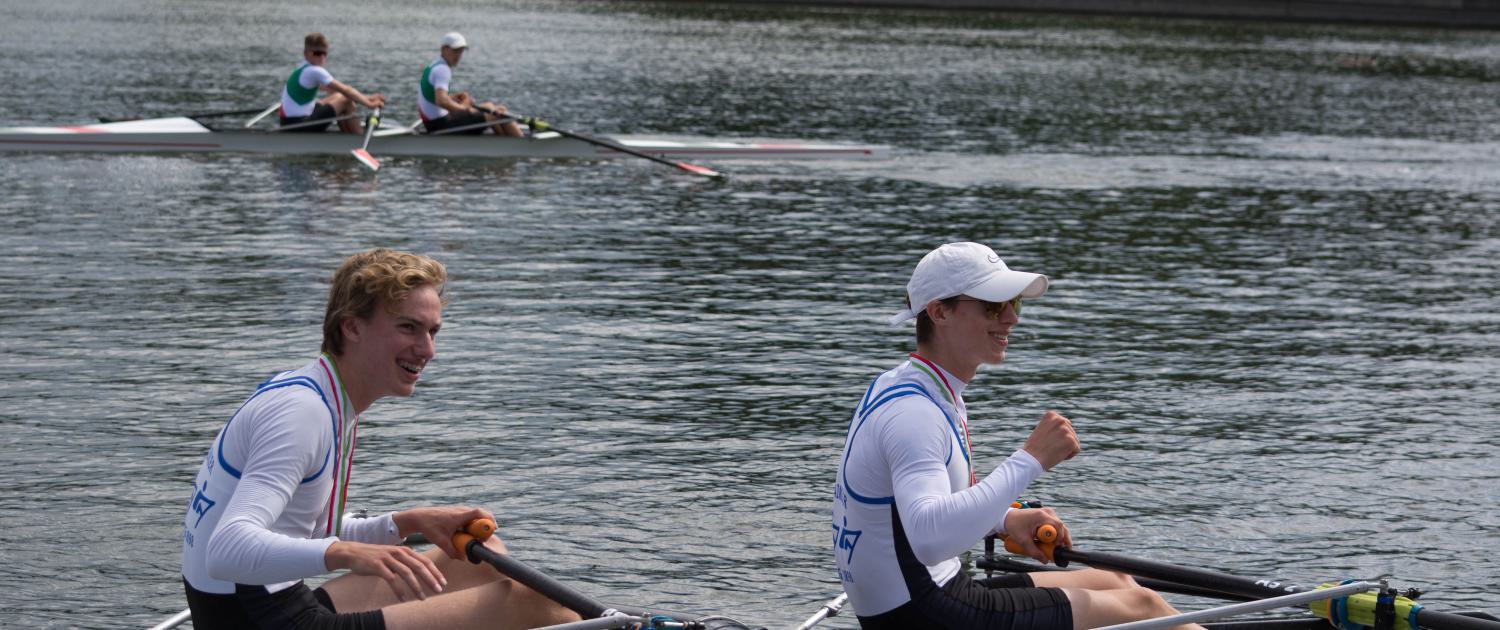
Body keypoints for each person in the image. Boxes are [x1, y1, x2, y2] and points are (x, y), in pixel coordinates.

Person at [181, 248, 578, 630]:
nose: (428, 350)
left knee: (481, 557)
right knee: (540, 605)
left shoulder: (318, 392)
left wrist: (406, 522)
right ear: (351, 326)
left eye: (433, 331)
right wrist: (349, 553)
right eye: (408, 327)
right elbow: (225, 550)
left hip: (268, 602)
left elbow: (297, 531)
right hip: (262, 618)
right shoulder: (302, 415)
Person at [831, 241, 1205, 630]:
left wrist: (1005, 521)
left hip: (926, 597)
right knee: (1141, 606)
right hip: (927, 614)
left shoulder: (909, 385)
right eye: (993, 305)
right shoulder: (915, 414)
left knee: (1116, 581)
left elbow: (921, 510)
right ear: (939, 312)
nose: (1011, 318)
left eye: (1014, 303)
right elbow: (927, 537)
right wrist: (1030, 459)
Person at [417, 32, 524, 137]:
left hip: (434, 122)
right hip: (440, 125)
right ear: (443, 49)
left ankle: (503, 143)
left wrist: (453, 98)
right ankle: (520, 145)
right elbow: (441, 101)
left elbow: (435, 99)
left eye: (461, 51)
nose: (458, 55)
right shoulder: (442, 69)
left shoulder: (434, 65)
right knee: (498, 113)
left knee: (490, 106)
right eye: (455, 51)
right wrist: (466, 110)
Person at [280, 32, 387, 134]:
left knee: (338, 96)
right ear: (306, 54)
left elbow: (333, 90)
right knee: (345, 100)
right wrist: (370, 104)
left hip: (290, 121)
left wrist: (367, 98)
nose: (321, 57)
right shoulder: (314, 71)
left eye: (324, 54)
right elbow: (346, 90)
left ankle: (348, 132)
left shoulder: (303, 67)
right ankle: (358, 136)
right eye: (317, 53)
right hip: (296, 125)